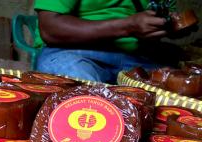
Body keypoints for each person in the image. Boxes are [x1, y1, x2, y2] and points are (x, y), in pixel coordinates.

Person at [33, 0, 187, 83]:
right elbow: (49, 28)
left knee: (181, 89)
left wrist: (173, 27)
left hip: (136, 59)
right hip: (72, 52)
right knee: (82, 90)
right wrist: (128, 27)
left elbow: (160, 21)